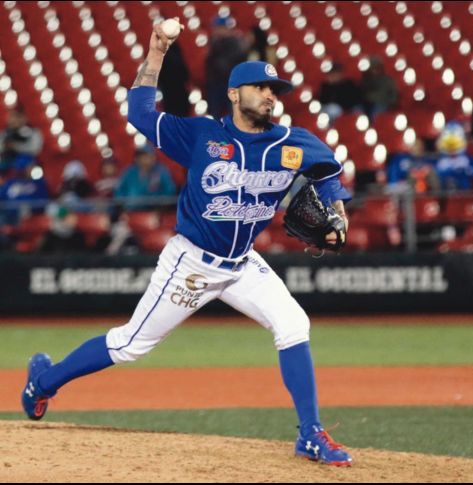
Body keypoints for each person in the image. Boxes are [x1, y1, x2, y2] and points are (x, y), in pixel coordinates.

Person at [21, 21, 353, 467]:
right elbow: (139, 113)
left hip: (242, 264)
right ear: (234, 94)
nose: (271, 95)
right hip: (192, 264)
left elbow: (329, 171)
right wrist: (157, 50)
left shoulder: (294, 143)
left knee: (294, 324)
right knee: (128, 346)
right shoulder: (202, 137)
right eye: (260, 87)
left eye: (275, 89)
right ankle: (42, 383)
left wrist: (339, 210)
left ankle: (310, 434)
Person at [204, 15, 248, 119]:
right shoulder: (215, 42)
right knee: (215, 115)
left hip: (230, 84)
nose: (215, 31)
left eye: (218, 28)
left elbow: (227, 65)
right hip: (216, 84)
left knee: (233, 115)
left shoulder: (234, 43)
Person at [114, 144, 177, 210]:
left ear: (153, 157)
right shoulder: (129, 172)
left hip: (155, 211)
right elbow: (119, 191)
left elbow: (170, 190)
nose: (144, 159)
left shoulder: (161, 171)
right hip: (130, 211)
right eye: (141, 157)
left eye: (146, 156)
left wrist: (160, 204)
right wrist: (123, 206)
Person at [434, 122, 473, 191]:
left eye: (454, 145)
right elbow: (436, 174)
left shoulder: (467, 160)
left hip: (465, 194)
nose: (452, 149)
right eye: (449, 145)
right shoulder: (441, 162)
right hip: (445, 195)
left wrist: (468, 171)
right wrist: (450, 172)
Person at [0, 109, 43, 176]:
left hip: (26, 165)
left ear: (24, 118)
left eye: (18, 117)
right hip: (6, 163)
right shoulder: (4, 134)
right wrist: (5, 146)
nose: (15, 120)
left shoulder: (33, 132)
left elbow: (35, 149)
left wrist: (15, 146)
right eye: (12, 117)